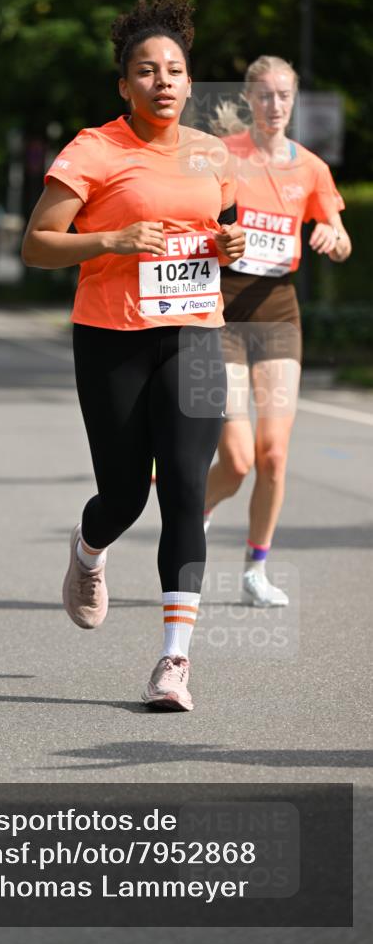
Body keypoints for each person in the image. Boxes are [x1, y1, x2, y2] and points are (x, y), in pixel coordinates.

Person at [22, 0, 245, 711]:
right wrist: (110, 240)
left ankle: (172, 663)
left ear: (188, 81)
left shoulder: (213, 154)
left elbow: (226, 233)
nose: (162, 82)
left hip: (195, 335)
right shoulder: (93, 150)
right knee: (123, 494)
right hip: (111, 337)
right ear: (124, 85)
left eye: (174, 71)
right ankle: (88, 552)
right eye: (146, 71)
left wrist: (229, 246)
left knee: (184, 487)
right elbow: (37, 245)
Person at [204, 57, 352, 606]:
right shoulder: (223, 156)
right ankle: (199, 509)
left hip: (279, 314)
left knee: (272, 455)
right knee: (238, 459)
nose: (274, 105)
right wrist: (221, 238)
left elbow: (337, 231)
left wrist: (334, 240)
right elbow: (198, 222)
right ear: (249, 99)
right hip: (224, 313)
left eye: (284, 96)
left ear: (293, 101)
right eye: (264, 96)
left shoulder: (310, 168)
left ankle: (254, 570)